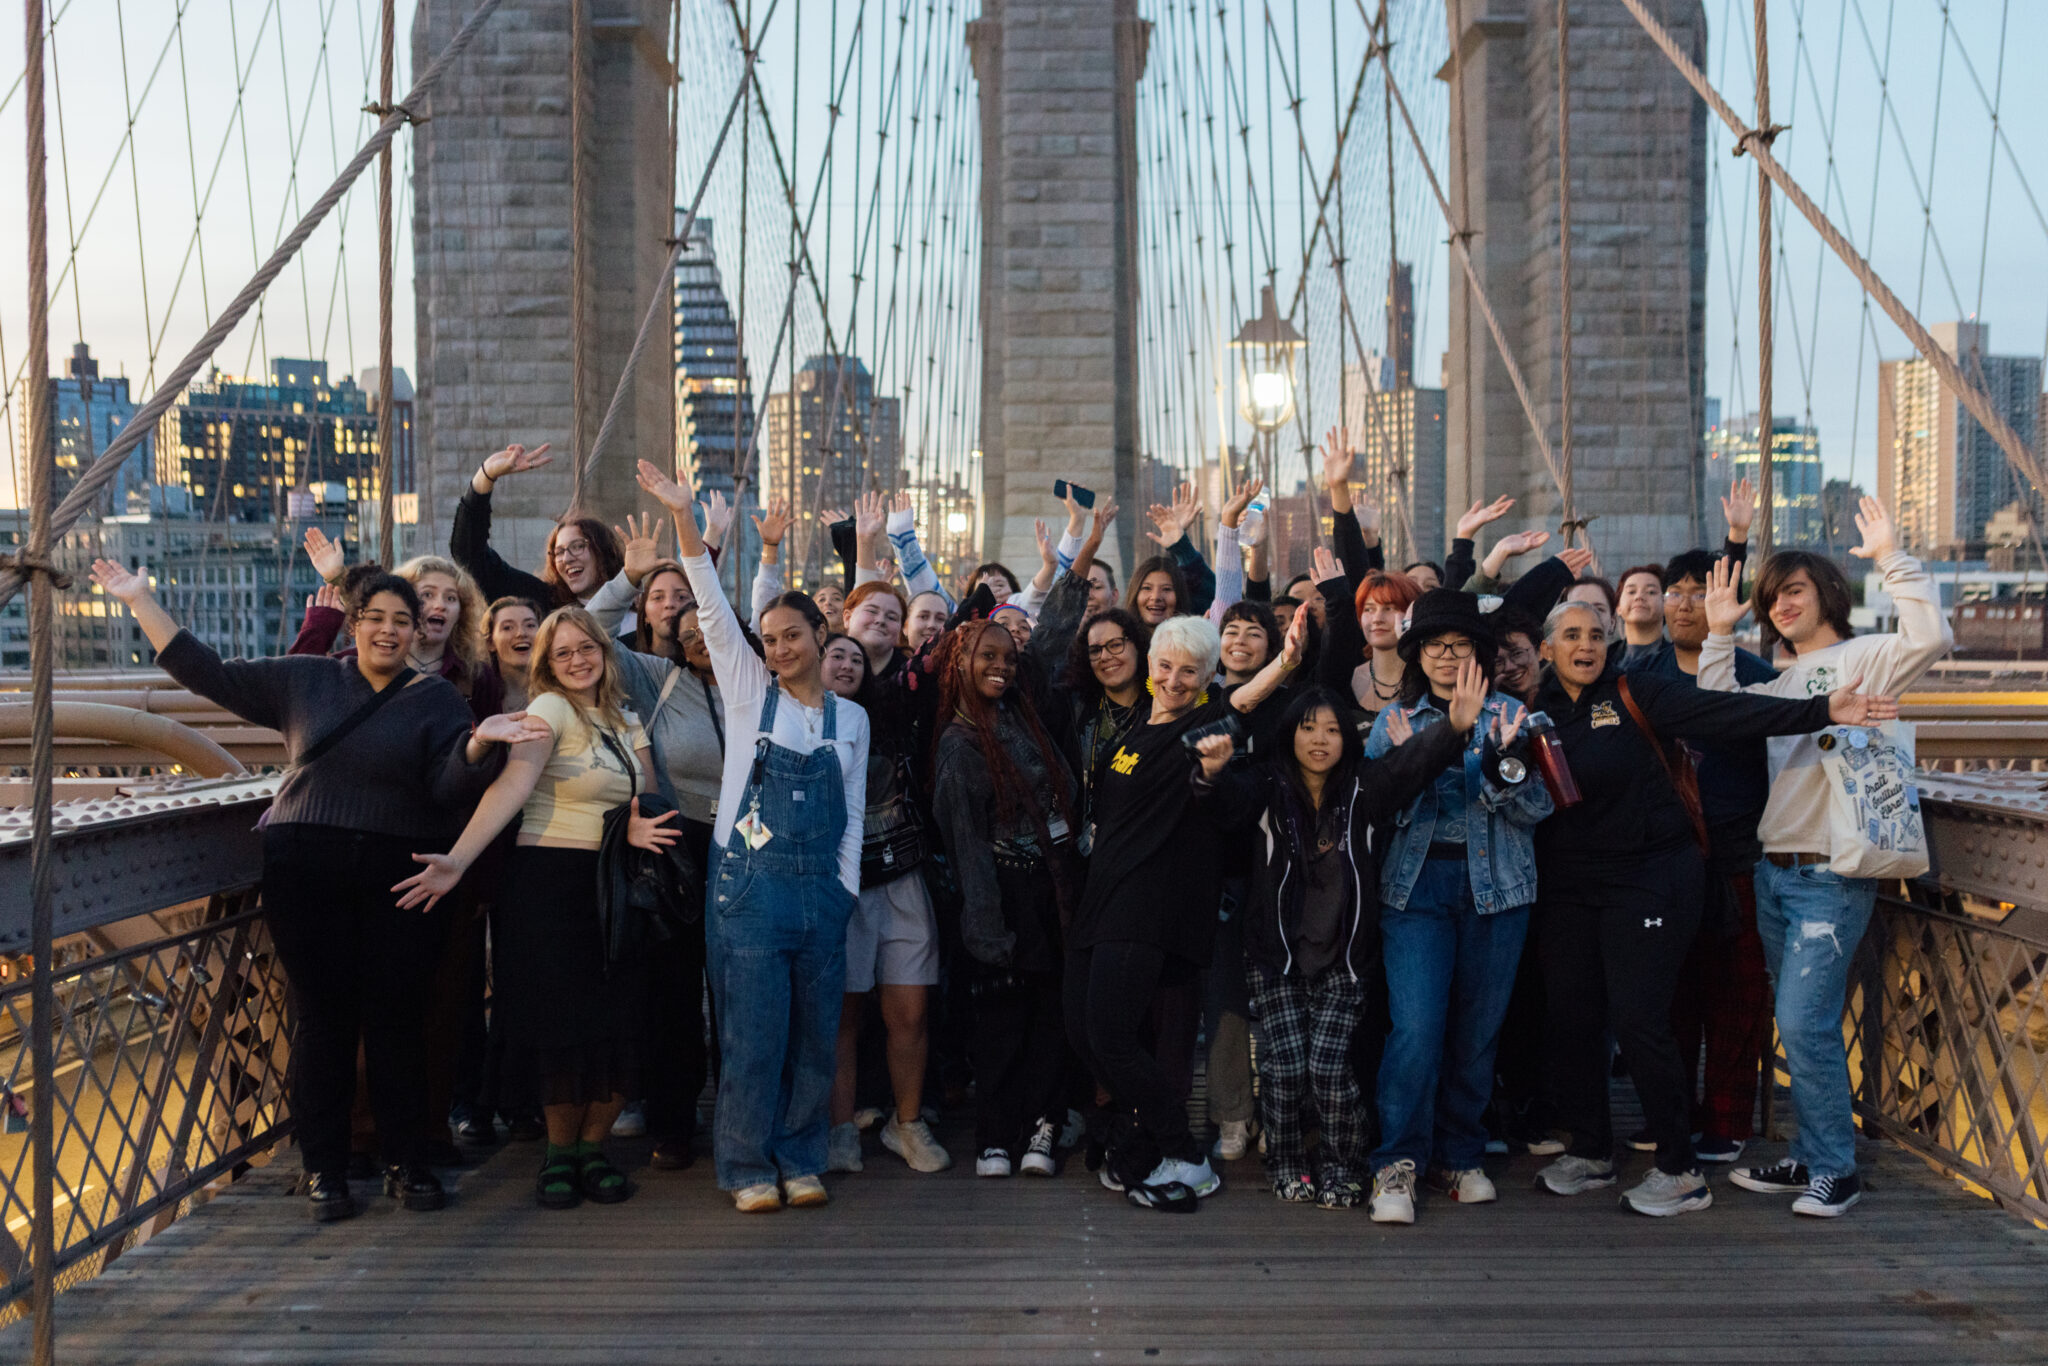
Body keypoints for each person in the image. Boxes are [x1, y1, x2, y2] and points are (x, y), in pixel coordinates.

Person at [88, 558, 542, 1221]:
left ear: (418, 632)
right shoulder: (304, 680)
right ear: (354, 624)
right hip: (305, 862)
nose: (388, 632)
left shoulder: (436, 699)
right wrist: (140, 601)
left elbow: (448, 789)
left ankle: (404, 1162)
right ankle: (324, 1170)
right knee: (322, 1021)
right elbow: (205, 672)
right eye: (375, 619)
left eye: (402, 621)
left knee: (396, 1020)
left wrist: (476, 749)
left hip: (397, 868)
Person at [1527, 598, 1896, 1216]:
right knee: (1572, 1016)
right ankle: (1591, 1150)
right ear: (1546, 648)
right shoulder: (1533, 712)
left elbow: (1728, 712)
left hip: (1650, 877)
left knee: (1641, 1018)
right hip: (1570, 884)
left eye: (1596, 634)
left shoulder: (1635, 690)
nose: (1584, 645)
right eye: (1569, 635)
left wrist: (1821, 710)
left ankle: (1679, 1171)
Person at [1698, 496, 1950, 1217]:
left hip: (1832, 875)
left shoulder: (1864, 659)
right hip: (1775, 872)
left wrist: (1893, 558)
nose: (1780, 605)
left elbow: (1930, 635)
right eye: (1771, 597)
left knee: (1805, 1022)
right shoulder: (1779, 681)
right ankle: (1811, 1153)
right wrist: (1720, 632)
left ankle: (1837, 1170)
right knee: (1797, 1017)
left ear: (1829, 596)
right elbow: (1715, 711)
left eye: (1795, 591)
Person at [639, 459, 870, 1213]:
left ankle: (801, 1157)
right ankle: (744, 1167)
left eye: (791, 635)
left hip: (820, 894)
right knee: (754, 1036)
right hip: (751, 890)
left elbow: (856, 811)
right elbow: (709, 607)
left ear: (819, 634)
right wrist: (684, 522)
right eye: (767, 638)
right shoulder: (748, 696)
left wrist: (844, 888)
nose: (777, 648)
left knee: (812, 1039)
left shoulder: (851, 719)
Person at [395, 606, 678, 1211]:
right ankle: (558, 1154)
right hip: (550, 883)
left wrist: (632, 830)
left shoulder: (627, 719)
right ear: (548, 665)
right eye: (562, 653)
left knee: (616, 1018)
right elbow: (513, 786)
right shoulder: (549, 711)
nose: (577, 660)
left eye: (586, 648)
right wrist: (459, 859)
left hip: (611, 883)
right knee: (562, 1023)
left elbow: (644, 797)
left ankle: (592, 1151)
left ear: (605, 651)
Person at [1198, 682, 1478, 1207]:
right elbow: (1227, 804)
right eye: (1309, 729)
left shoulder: (1363, 789)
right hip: (1275, 955)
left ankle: (1343, 1165)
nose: (1321, 740)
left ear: (1348, 740)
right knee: (1283, 1068)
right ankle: (1284, 1162)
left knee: (1327, 1069)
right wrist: (1211, 772)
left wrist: (1454, 728)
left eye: (1332, 730)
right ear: (1291, 736)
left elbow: (1409, 765)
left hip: (1345, 960)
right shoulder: (1266, 785)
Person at [1066, 610, 1304, 1208]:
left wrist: (1287, 662)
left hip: (1148, 906)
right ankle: (1140, 1140)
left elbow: (1244, 703)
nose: (1175, 679)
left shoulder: (1202, 725)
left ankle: (1184, 1153)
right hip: (1102, 901)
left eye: (1190, 671)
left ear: (1205, 677)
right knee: (1084, 1033)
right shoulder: (1130, 735)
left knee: (1113, 1036)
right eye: (1166, 666)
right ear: (1150, 668)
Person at [1361, 590, 1553, 1224]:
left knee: (1476, 1033)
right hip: (1413, 893)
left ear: (1481, 654)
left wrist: (1499, 761)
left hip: (1498, 892)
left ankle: (1460, 1153)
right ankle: (1396, 1162)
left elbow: (1539, 810)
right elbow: (1374, 805)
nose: (1447, 657)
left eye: (1460, 645)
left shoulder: (1521, 719)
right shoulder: (1396, 721)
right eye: (1435, 646)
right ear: (1417, 654)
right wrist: (1447, 734)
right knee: (1415, 1029)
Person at [1623, 547, 1775, 1166]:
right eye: (1675, 592)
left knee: (1736, 993)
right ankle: (1672, 1114)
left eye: (1697, 591)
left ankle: (1728, 1119)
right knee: (1669, 993)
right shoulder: (1636, 675)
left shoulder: (1756, 674)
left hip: (1736, 853)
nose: (1685, 603)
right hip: (1661, 859)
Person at [930, 620, 1081, 1177]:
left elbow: (1046, 646)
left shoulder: (1022, 715)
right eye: (986, 656)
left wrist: (1081, 551)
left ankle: (1043, 1124)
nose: (1002, 666)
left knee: (1050, 1015)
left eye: (1008, 658)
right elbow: (967, 849)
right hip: (1001, 895)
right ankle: (995, 1135)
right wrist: (989, 932)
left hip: (1055, 889)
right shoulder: (957, 745)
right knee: (1000, 1019)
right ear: (958, 664)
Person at [823, 581, 952, 1177]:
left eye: (891, 615)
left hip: (900, 868)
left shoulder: (906, 691)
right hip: (838, 876)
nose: (878, 621)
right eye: (867, 610)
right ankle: (839, 1127)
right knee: (843, 1013)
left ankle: (908, 1123)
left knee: (910, 1009)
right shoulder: (805, 701)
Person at [452, 441, 626, 611]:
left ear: (603, 551)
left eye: (578, 546)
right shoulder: (542, 602)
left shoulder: (642, 610)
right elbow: (471, 557)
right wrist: (486, 475)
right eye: (559, 552)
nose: (567, 559)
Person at [482, 596, 541, 713]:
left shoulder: (561, 691)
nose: (521, 633)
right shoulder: (479, 694)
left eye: (530, 625)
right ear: (490, 642)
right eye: (507, 627)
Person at [1616, 565, 1667, 661]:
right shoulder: (1604, 660)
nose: (1639, 597)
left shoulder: (1681, 661)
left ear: (1666, 604)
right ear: (1618, 606)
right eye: (1631, 592)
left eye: (1651, 592)